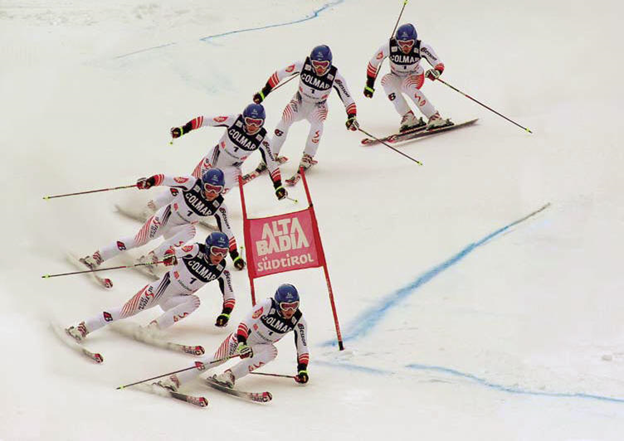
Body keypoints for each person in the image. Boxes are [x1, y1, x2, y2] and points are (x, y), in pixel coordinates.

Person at [66, 232, 236, 341]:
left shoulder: (222, 270)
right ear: (208, 248)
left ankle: (153, 328)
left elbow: (229, 295)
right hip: (162, 289)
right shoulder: (196, 250)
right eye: (216, 251)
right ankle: (84, 327)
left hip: (176, 300)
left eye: (224, 253)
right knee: (126, 311)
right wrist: (170, 257)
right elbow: (175, 251)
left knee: (194, 302)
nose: (219, 256)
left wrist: (225, 313)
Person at [79, 168, 246, 274]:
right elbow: (167, 179)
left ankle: (151, 257)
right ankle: (96, 257)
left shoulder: (219, 206)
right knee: (138, 240)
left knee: (191, 231)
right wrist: (150, 182)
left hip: (179, 229)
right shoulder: (191, 183)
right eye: (209, 188)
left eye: (217, 190)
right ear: (203, 184)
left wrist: (235, 256)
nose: (212, 193)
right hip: (165, 218)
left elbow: (227, 232)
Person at [158, 283, 310, 391]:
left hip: (259, 347)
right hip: (241, 338)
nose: (290, 310)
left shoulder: (299, 321)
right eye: (285, 306)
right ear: (278, 304)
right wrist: (242, 343)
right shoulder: (266, 305)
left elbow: (302, 346)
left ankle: (229, 376)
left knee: (271, 351)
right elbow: (245, 324)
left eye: (294, 305)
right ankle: (174, 379)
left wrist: (302, 370)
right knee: (217, 359)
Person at [251, 45, 359, 180]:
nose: (319, 68)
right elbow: (280, 74)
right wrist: (263, 92)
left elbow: (347, 98)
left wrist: (351, 116)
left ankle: (308, 156)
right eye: (316, 64)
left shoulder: (335, 76)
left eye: (324, 65)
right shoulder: (302, 65)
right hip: (299, 101)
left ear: (329, 64)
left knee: (317, 124)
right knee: (285, 120)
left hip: (317, 106)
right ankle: (272, 154)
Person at [168, 103, 287, 200]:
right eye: (249, 121)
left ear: (263, 122)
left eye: (257, 123)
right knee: (192, 185)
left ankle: (203, 208)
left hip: (232, 168)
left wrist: (278, 186)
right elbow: (205, 120)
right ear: (243, 118)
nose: (252, 126)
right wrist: (183, 129)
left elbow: (271, 163)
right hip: (215, 157)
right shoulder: (233, 120)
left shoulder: (263, 140)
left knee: (215, 190)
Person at [364, 23, 452, 132]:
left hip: (415, 76)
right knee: (385, 81)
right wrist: (369, 85)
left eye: (409, 43)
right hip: (397, 77)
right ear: (397, 41)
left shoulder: (421, 47)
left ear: (414, 41)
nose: (405, 47)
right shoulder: (389, 47)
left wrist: (436, 72)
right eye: (401, 43)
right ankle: (409, 117)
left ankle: (434, 116)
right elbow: (373, 64)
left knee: (407, 86)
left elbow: (438, 63)